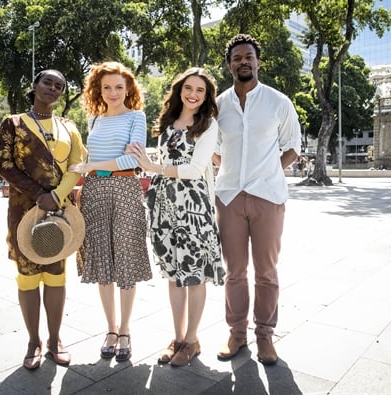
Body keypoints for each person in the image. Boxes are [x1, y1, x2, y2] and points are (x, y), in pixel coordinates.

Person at [127, 68, 225, 367]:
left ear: (207, 96)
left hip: (194, 207)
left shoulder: (208, 126)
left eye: (200, 90)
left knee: (194, 276)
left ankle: (192, 340)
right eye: (189, 87)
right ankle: (178, 337)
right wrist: (150, 165)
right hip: (165, 205)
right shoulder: (168, 122)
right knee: (173, 274)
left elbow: (195, 169)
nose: (193, 94)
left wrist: (152, 167)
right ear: (180, 89)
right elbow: (164, 160)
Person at [213, 34, 301, 366]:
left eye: (249, 56)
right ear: (229, 65)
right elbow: (214, 151)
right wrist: (234, 171)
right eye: (237, 58)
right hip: (230, 197)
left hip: (268, 197)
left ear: (258, 61)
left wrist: (267, 171)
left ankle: (265, 336)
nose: (243, 62)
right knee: (234, 271)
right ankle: (237, 334)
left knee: (266, 271)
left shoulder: (279, 102)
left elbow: (294, 145)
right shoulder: (219, 105)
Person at [0, 69, 86, 370]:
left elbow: (77, 164)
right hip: (25, 210)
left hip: (60, 211)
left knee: (57, 275)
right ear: (34, 85)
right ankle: (33, 341)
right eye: (47, 82)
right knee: (28, 276)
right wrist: (39, 195)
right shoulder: (14, 123)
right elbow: (3, 164)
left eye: (59, 85)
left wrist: (56, 196)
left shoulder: (68, 126)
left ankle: (56, 339)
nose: (53, 88)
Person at [76, 61, 151, 362]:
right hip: (93, 192)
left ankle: (126, 330)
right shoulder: (94, 120)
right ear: (98, 89)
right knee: (103, 263)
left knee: (126, 260)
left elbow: (130, 162)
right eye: (106, 87)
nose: (113, 92)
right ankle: (110, 329)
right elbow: (90, 158)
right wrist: (87, 172)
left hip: (126, 190)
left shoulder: (137, 117)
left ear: (128, 88)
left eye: (119, 87)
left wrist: (92, 166)